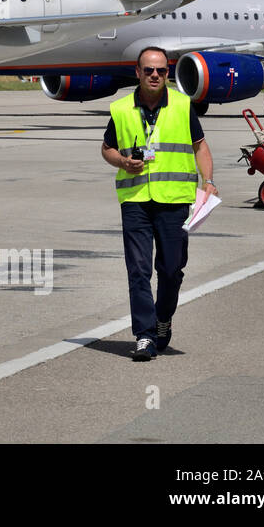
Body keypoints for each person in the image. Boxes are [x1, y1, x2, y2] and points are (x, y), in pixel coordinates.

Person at [101, 46, 218, 361]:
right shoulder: (122, 109)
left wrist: (208, 182)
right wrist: (123, 162)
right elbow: (107, 148)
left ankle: (163, 319)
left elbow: (200, 147)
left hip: (174, 201)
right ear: (137, 73)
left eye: (161, 70)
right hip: (135, 200)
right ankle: (144, 335)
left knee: (170, 269)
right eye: (149, 70)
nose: (155, 75)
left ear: (168, 73)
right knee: (138, 270)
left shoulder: (182, 105)